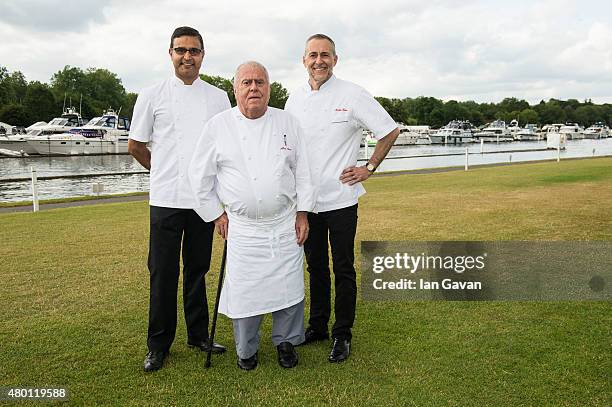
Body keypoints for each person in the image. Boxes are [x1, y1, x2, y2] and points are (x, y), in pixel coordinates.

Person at [188, 61, 315, 370]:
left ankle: (286, 343)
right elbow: (198, 176)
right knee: (246, 291)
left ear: (269, 88)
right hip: (243, 228)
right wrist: (216, 214)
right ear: (236, 89)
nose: (254, 88)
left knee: (288, 287)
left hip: (284, 223)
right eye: (247, 83)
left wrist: (303, 213)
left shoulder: (289, 123)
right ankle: (247, 350)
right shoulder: (218, 126)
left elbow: (305, 172)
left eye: (260, 82)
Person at [285, 33, 400, 362]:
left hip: (341, 200)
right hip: (305, 202)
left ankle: (342, 334)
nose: (318, 60)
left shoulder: (352, 94)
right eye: (312, 55)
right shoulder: (294, 99)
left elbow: (389, 130)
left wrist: (370, 167)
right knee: (316, 266)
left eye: (325, 55)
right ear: (303, 60)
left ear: (335, 60)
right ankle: (318, 326)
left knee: (343, 268)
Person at [128, 26, 231, 372]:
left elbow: (226, 148)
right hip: (166, 199)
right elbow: (136, 145)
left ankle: (199, 334)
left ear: (203, 55)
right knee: (163, 272)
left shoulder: (218, 97)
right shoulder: (152, 94)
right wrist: (162, 172)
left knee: (197, 270)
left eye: (194, 50)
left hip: (204, 200)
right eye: (181, 50)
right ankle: (158, 344)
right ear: (170, 53)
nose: (187, 56)